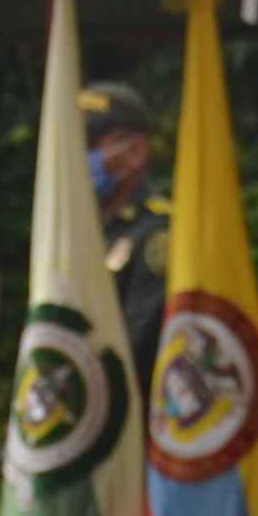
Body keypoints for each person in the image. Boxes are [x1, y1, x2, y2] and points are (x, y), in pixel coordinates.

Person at [84, 78, 167, 375]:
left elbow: (137, 343)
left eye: (92, 146)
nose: (81, 158)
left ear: (136, 151)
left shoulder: (156, 232)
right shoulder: (86, 230)